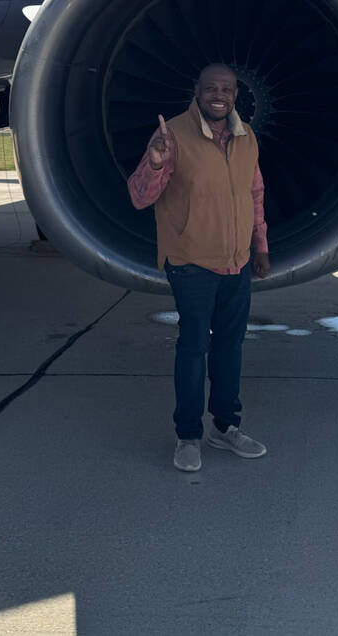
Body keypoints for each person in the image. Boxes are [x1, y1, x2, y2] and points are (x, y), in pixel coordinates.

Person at [128, 63, 271, 472]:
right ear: (198, 90)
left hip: (237, 262)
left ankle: (225, 427)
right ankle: (188, 434)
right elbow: (139, 197)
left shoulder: (247, 138)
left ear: (235, 94)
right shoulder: (171, 135)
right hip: (190, 262)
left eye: (226, 88)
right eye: (211, 88)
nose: (219, 95)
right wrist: (155, 163)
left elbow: (255, 193)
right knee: (194, 349)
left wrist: (259, 245)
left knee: (231, 348)